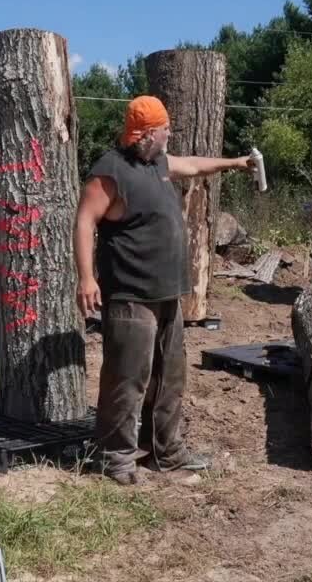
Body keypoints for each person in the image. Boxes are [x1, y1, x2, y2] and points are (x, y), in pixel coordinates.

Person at [74, 95, 256, 485]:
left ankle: (165, 451)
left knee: (169, 376)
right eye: (164, 129)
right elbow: (85, 221)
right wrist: (86, 278)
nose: (170, 133)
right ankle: (114, 458)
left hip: (167, 292)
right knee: (127, 378)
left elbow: (191, 165)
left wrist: (236, 163)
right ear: (146, 134)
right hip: (130, 294)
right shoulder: (110, 172)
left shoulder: (157, 162)